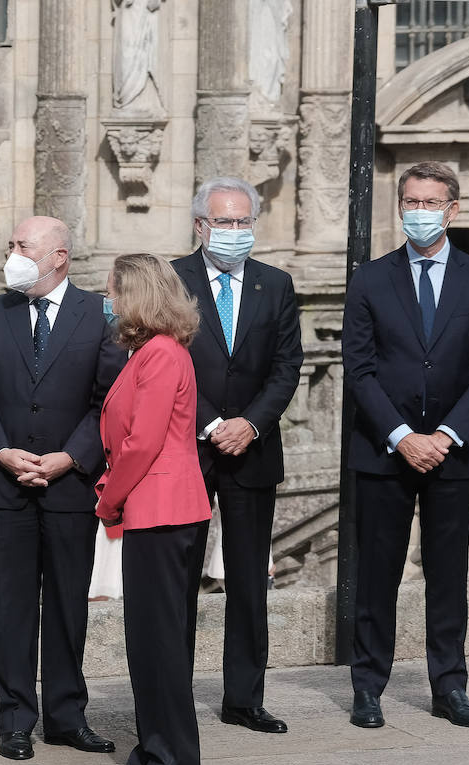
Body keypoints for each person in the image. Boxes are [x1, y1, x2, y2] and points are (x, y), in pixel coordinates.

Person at [342, 161, 469, 730]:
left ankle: (450, 686)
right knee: (377, 575)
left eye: (430, 203)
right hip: (383, 449)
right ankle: (368, 687)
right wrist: (401, 437)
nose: (419, 212)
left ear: (453, 210)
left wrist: (443, 436)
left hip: (453, 453)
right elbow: (359, 368)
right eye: (411, 202)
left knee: (447, 573)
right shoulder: (370, 278)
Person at [0, 216, 125, 762]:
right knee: (9, 606)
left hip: (69, 487)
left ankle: (65, 715)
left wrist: (70, 457)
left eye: (22, 245)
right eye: (11, 244)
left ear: (58, 256)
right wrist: (3, 453)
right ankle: (14, 717)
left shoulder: (96, 314)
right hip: (6, 487)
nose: (13, 253)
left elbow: (107, 400)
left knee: (65, 605)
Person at [171, 177, 303, 735]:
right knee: (179, 579)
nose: (234, 232)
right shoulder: (172, 280)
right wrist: (211, 421)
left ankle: (244, 697)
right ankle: (171, 694)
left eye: (243, 222)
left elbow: (287, 365)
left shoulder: (275, 284)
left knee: (249, 579)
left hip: (253, 449)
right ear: (201, 225)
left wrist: (250, 422)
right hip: (187, 448)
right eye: (224, 222)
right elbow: (161, 360)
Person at [96, 253, 211, 765]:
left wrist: (109, 499)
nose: (109, 300)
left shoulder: (162, 354)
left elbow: (142, 442)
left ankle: (175, 760)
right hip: (154, 507)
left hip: (161, 507)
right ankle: (153, 746)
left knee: (161, 639)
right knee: (146, 638)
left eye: (115, 291)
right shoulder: (150, 352)